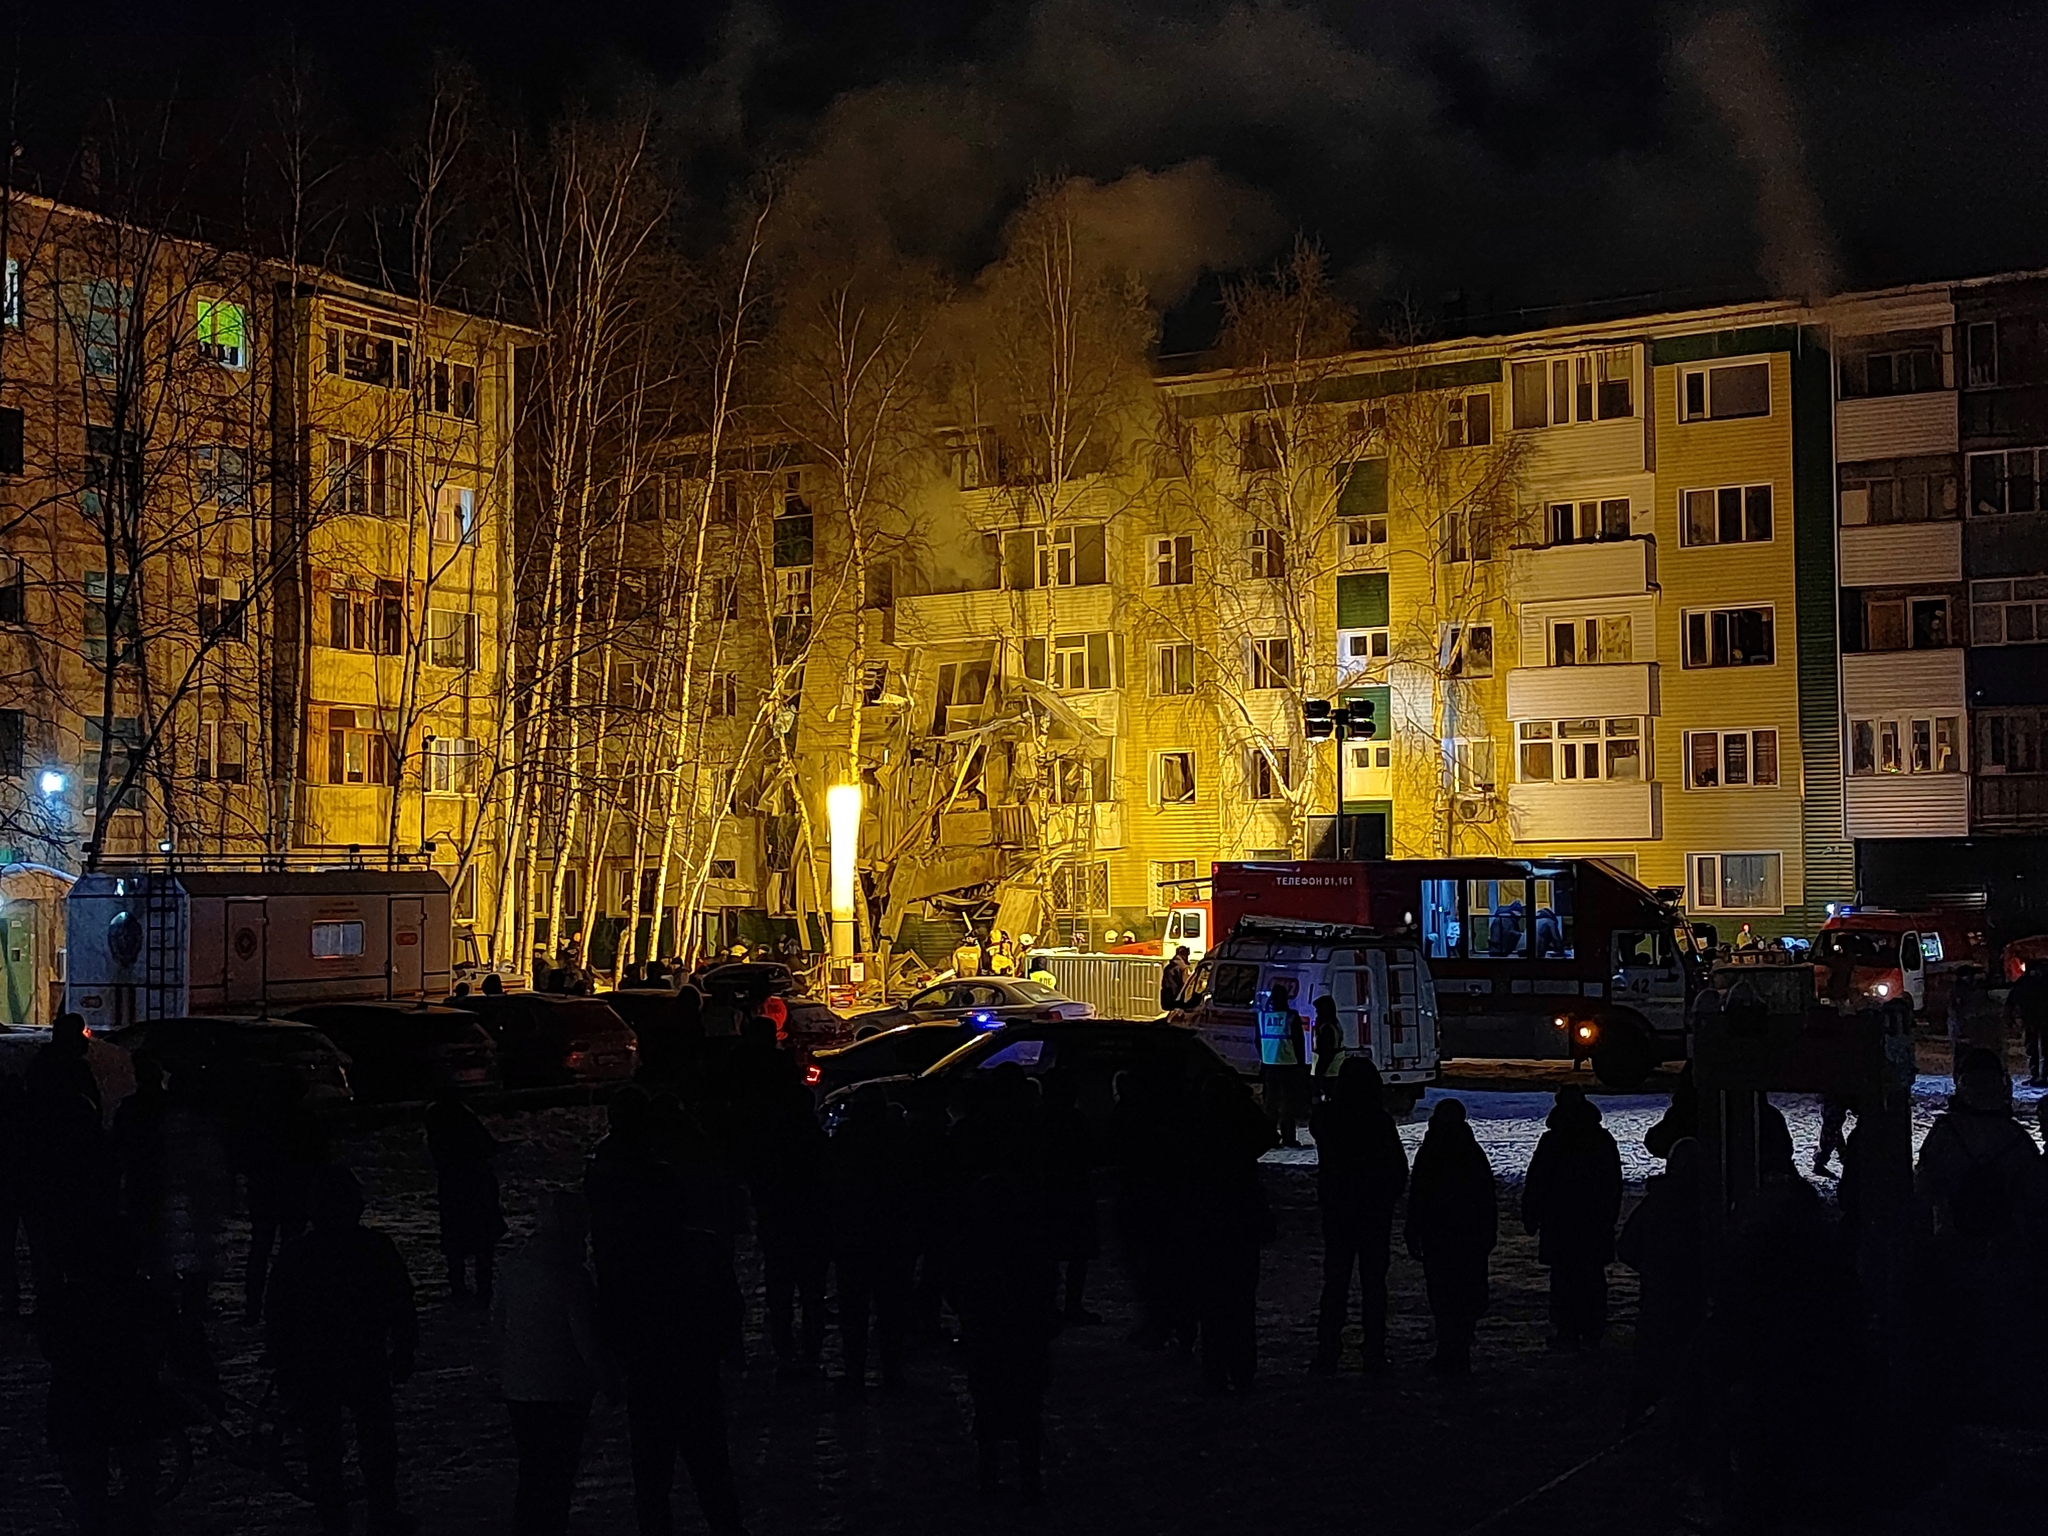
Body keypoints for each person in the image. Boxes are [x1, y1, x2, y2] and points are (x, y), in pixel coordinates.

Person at [586, 1090, 748, 1536]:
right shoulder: (695, 1252)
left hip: (651, 1375)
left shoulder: (626, 1262)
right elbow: (726, 1305)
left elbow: (612, 1315)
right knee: (710, 1465)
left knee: (653, 1473)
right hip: (692, 1372)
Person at [266, 1166, 418, 1536]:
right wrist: (404, 1350)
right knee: (377, 1441)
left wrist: (283, 1367)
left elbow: (278, 1317)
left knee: (323, 1449)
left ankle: (334, 1521)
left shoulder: (296, 1254)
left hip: (313, 1363)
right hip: (364, 1357)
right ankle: (381, 1511)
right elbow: (401, 1304)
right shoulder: (375, 1248)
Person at [495, 1189, 618, 1536]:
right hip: (564, 1390)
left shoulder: (514, 1268)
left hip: (519, 1387)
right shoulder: (570, 1277)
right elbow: (587, 1343)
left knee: (531, 1470)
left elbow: (498, 1322)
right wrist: (608, 1382)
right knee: (558, 1474)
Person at [951, 1169, 1055, 1504]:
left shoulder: (972, 1240)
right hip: (1025, 1333)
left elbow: (954, 1282)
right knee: (1027, 1406)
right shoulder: (1030, 1240)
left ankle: (989, 1476)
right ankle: (1028, 1478)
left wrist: (967, 1314)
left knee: (988, 1403)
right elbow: (1046, 1281)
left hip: (985, 1332)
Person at [1309, 1056, 1407, 1374]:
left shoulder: (1329, 1118)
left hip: (1338, 1210)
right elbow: (1396, 1169)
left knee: (1335, 1282)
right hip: (1373, 1212)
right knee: (1374, 1284)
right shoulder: (1378, 1121)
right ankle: (1374, 1350)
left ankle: (1327, 1350)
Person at [1187, 1073, 1276, 1393]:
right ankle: (1241, 1368)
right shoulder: (1236, 1126)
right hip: (1239, 1220)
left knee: (1212, 1302)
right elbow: (1268, 1134)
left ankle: (1216, 1369)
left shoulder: (1196, 1122)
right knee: (1240, 1301)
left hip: (1208, 1221)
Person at [827, 1083, 916, 1390]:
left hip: (854, 1236)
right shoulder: (898, 1140)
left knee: (854, 1310)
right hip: (891, 1236)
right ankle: (892, 1370)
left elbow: (831, 1186)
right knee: (891, 1309)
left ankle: (855, 1371)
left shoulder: (846, 1140)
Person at [1520, 1087, 1623, 1351]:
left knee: (1564, 1278)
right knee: (1591, 1276)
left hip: (1561, 1221)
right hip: (1592, 1221)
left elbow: (1537, 1180)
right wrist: (1608, 1215)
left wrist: (1532, 1213)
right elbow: (1612, 1182)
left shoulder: (1553, 1141)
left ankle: (1568, 1329)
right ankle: (1591, 1329)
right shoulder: (1600, 1139)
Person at [1617, 1135, 1705, 1425]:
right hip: (1695, 1300)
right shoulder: (1709, 1205)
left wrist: (1653, 1268)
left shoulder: (1656, 1203)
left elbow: (1628, 1247)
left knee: (1652, 1364)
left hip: (1658, 1298)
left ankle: (1640, 1420)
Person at [746, 1078, 830, 1378]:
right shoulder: (817, 1142)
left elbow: (757, 1183)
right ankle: (810, 1347)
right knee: (812, 1292)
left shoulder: (770, 1144)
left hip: (779, 1225)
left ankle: (786, 1348)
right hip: (811, 1227)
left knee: (780, 1293)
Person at [1405, 1098, 1497, 1374]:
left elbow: (1418, 1195)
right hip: (1467, 1234)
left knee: (1443, 1292)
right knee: (1465, 1291)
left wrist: (1414, 1230)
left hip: (1439, 1234)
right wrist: (1488, 1232)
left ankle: (1449, 1348)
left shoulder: (1431, 1151)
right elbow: (1485, 1196)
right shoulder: (1470, 1151)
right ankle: (1459, 1346)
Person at [239, 1070, 328, 1325]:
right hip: (293, 1195)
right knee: (290, 1251)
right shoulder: (304, 1120)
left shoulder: (260, 1120)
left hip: (267, 1193)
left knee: (261, 1251)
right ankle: (289, 1304)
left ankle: (255, 1307)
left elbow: (244, 1155)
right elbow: (319, 1158)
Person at [425, 1093, 506, 1306]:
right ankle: (482, 1287)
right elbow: (490, 1147)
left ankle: (459, 1286)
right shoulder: (466, 1123)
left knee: (456, 1240)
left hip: (455, 1187)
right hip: (477, 1185)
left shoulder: (437, 1123)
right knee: (482, 1241)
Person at [1040, 1072, 1100, 1324]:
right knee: (1076, 1255)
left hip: (1050, 1193)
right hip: (1073, 1192)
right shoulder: (1074, 1120)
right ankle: (1071, 1306)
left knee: (1049, 1254)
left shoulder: (1039, 1120)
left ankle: (1050, 1305)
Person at [1255, 978, 1310, 1148]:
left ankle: (1269, 1137)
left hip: (1269, 1065)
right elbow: (1298, 1042)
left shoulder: (1262, 1016)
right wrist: (1302, 1065)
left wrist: (1264, 1057)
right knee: (1288, 1104)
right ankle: (1288, 1138)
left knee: (1270, 1104)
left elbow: (1258, 1041)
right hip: (1289, 1065)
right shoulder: (1291, 1016)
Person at [2008, 961, 2048, 1086]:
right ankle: (2037, 1075)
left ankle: (2041, 1075)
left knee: (2041, 1049)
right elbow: (2014, 999)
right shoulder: (2026, 982)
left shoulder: (2028, 982)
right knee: (2034, 1048)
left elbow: (2014, 999)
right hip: (2033, 1020)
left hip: (2039, 1020)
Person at [1310, 995, 1344, 1088]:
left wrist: (1319, 1075)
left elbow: (1326, 1054)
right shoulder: (1335, 1025)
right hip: (1336, 1070)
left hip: (1329, 1072)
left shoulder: (1326, 1029)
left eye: (1318, 1010)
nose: (1316, 1013)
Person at [1160, 945, 1193, 1012]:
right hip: (1178, 1000)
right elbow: (1187, 983)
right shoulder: (1183, 968)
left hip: (1167, 999)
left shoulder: (1168, 967)